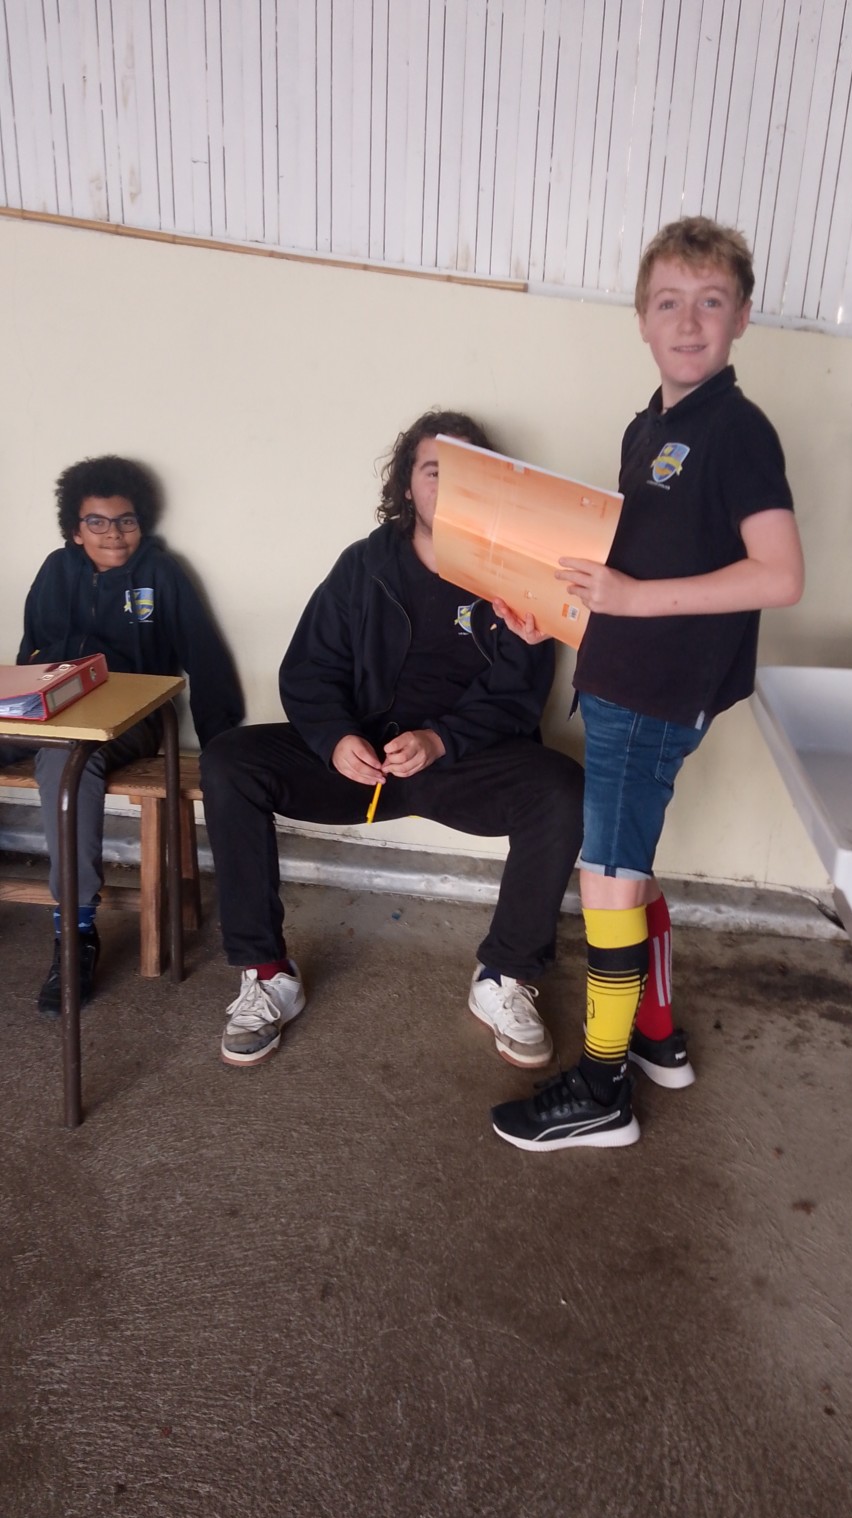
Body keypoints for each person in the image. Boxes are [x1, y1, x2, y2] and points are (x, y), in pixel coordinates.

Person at [490, 216, 805, 1151]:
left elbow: (780, 575)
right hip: (622, 678)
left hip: (657, 694)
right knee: (625, 863)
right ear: (640, 318)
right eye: (669, 302)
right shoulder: (651, 427)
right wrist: (559, 616)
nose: (689, 321)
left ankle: (602, 1088)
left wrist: (628, 599)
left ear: (742, 317)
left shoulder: (738, 431)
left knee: (610, 879)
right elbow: (630, 571)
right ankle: (655, 1039)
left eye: (711, 302)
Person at [201, 409, 589, 1070]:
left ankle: (505, 976)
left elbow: (520, 692)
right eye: (435, 471)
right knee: (229, 761)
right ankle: (266, 974)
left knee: (563, 788)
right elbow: (309, 670)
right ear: (408, 484)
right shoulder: (364, 565)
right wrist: (334, 739)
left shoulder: (514, 571)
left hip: (458, 763)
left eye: (468, 474)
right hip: (363, 764)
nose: (450, 486)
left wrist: (441, 740)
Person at [1, 455, 243, 1014]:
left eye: (125, 521)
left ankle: (75, 932)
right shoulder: (55, 571)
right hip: (52, 711)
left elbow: (205, 657)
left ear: (142, 522)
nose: (114, 533)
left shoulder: (162, 574)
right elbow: (30, 654)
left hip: (129, 723)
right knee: (52, 747)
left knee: (66, 764)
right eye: (98, 522)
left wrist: (221, 747)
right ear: (75, 529)